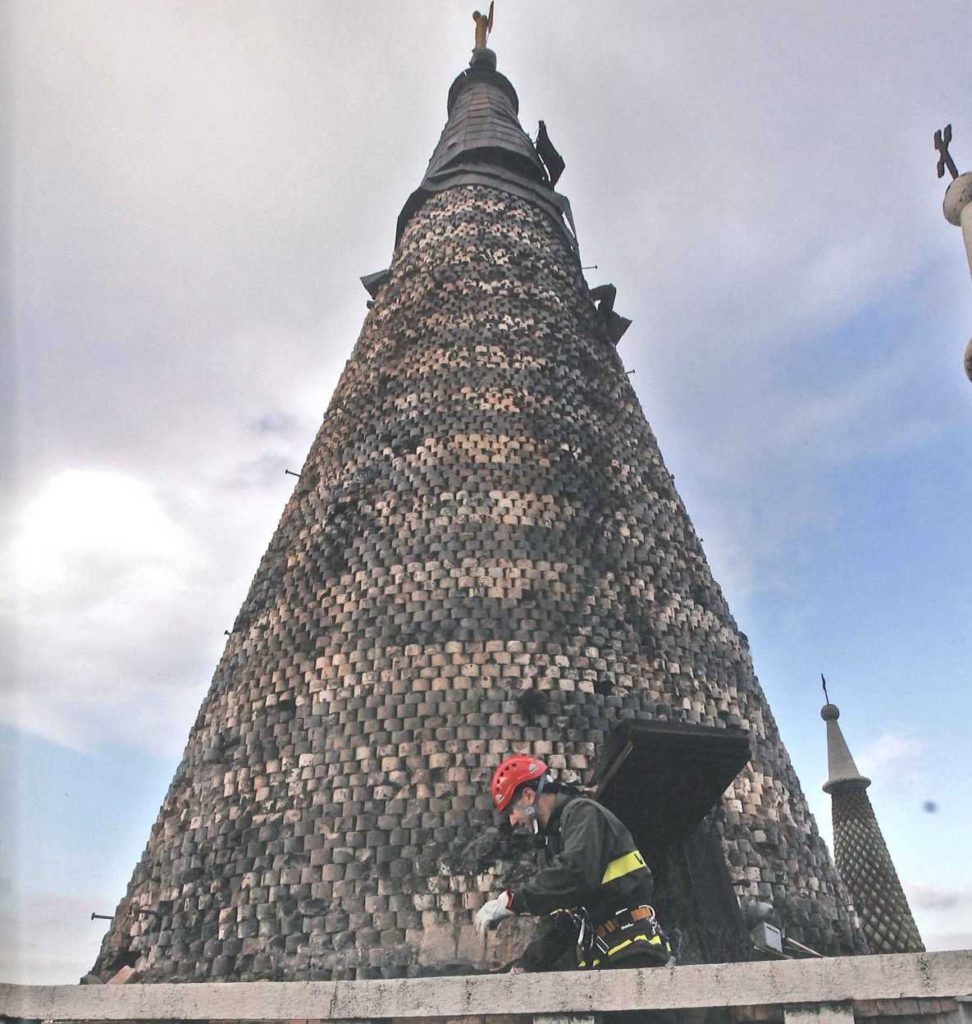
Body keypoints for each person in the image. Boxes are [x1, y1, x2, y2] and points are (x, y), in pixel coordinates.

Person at [474, 754, 674, 972]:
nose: (513, 821)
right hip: (604, 952)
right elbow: (560, 920)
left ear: (528, 796)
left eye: (511, 810)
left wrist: (514, 900)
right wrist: (526, 965)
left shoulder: (584, 815)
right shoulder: (553, 844)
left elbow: (576, 873)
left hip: (633, 947)